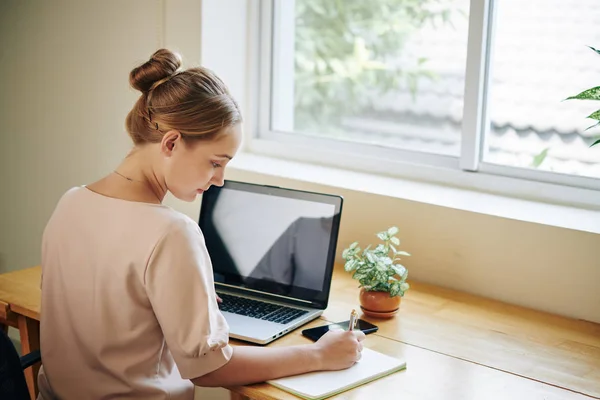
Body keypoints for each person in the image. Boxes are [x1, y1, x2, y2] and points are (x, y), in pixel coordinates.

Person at [37, 49, 364, 400]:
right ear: (172, 142)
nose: (220, 179)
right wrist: (318, 354)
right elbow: (211, 369)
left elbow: (104, 307)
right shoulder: (171, 232)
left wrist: (183, 299)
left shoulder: (71, 201)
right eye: (215, 162)